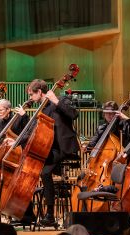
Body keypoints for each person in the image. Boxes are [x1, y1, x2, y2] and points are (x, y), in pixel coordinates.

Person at [10, 79, 79, 226]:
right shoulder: (41, 109)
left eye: (31, 94)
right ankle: (29, 214)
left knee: (45, 172)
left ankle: (49, 215)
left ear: (39, 92)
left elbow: (74, 114)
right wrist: (16, 141)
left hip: (63, 147)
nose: (30, 98)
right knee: (39, 168)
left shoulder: (61, 99)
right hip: (50, 148)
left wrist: (56, 101)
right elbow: (33, 131)